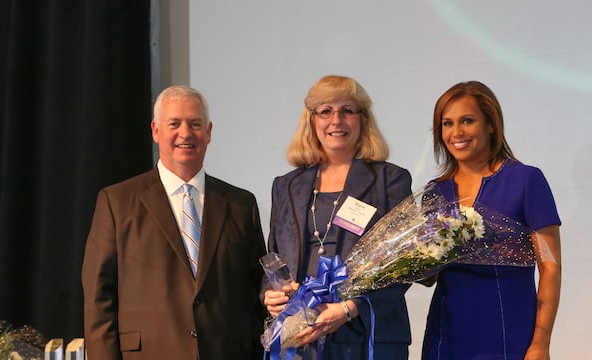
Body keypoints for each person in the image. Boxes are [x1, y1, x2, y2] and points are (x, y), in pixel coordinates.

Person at [82, 85, 267, 360]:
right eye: (174, 124)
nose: (185, 133)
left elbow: (256, 291)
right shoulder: (116, 202)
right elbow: (99, 300)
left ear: (209, 132)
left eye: (195, 124)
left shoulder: (241, 205)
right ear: (156, 131)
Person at [263, 75, 413, 359]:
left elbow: (405, 263)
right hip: (302, 337)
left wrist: (348, 308)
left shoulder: (390, 180)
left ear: (363, 120)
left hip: (367, 335)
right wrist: (272, 294)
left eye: (347, 110)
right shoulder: (286, 185)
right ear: (312, 120)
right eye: (325, 111)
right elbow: (275, 256)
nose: (336, 120)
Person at [420, 81, 562, 360]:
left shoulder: (526, 180)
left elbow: (550, 267)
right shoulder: (435, 191)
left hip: (510, 330)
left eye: (468, 121)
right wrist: (406, 265)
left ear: (491, 125)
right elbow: (430, 275)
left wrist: (540, 343)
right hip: (445, 335)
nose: (456, 133)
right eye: (447, 124)